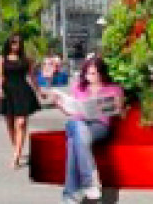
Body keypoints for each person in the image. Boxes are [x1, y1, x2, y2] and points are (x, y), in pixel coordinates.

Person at [49, 55, 124, 203]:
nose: (90, 77)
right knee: (76, 125)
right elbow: (71, 111)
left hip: (99, 125)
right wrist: (60, 104)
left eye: (94, 73)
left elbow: (119, 112)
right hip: (78, 122)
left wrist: (112, 106)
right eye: (88, 73)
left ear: (102, 73)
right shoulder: (79, 87)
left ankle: (71, 194)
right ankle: (88, 183)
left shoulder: (114, 89)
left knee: (73, 142)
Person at [0, 32, 41, 168]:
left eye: (19, 42)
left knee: (20, 123)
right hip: (7, 92)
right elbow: (0, 76)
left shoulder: (26, 60)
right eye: (14, 42)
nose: (16, 45)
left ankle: (15, 157)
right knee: (10, 123)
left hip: (22, 92)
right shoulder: (2, 59)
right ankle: (17, 149)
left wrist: (39, 91)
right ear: (9, 43)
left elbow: (32, 77)